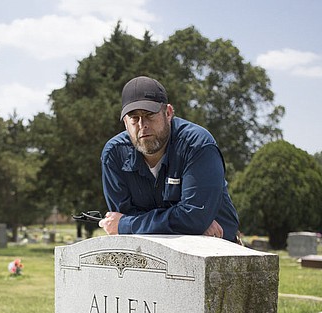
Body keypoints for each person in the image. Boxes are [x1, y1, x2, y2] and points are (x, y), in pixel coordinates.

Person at [99, 76, 241, 242]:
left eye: (149, 114)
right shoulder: (114, 154)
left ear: (168, 113)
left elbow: (193, 218)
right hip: (149, 256)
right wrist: (186, 226)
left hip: (218, 250)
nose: (142, 125)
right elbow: (123, 220)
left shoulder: (198, 145)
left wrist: (126, 225)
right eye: (134, 118)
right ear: (125, 123)